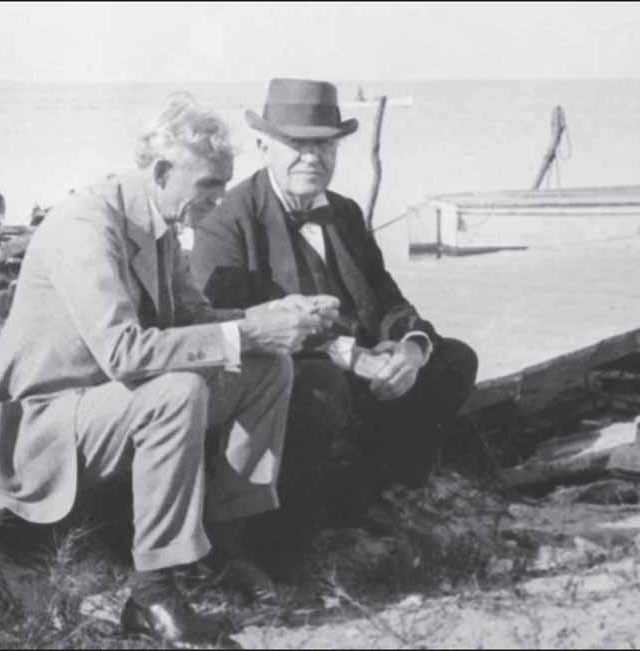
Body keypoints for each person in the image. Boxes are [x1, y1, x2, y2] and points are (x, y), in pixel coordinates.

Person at [0, 93, 339, 649]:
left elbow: (198, 321)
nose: (219, 199)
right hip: (38, 427)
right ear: (161, 171)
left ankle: (225, 546)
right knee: (176, 392)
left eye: (224, 184)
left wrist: (269, 319)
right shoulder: (85, 224)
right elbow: (125, 353)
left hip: (99, 406)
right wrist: (247, 331)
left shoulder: (156, 220)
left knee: (266, 367)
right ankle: (153, 592)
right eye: (208, 185)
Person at [189, 78, 479, 550]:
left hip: (365, 371)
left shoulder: (344, 213)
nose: (312, 157)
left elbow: (389, 301)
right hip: (287, 374)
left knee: (454, 360)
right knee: (319, 386)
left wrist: (410, 347)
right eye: (296, 144)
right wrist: (346, 355)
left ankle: (374, 493)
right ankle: (287, 533)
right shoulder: (226, 222)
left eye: (324, 144)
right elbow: (226, 323)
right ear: (263, 146)